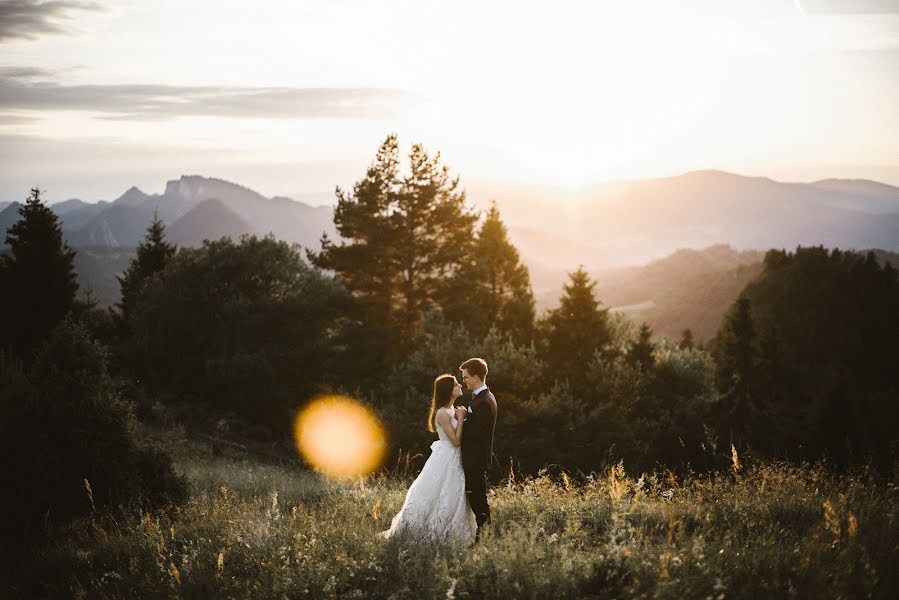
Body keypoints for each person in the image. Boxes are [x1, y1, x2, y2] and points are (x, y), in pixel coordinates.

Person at [381, 374, 477, 544]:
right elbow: (455, 441)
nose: (460, 385)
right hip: (446, 458)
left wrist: (459, 415)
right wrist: (461, 418)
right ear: (448, 390)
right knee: (439, 493)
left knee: (454, 494)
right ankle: (431, 534)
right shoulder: (441, 413)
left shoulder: (452, 409)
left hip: (455, 459)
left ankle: (454, 533)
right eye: (456, 384)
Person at [459, 357, 497, 540]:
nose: (464, 381)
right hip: (474, 457)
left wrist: (459, 421)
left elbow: (475, 432)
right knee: (476, 497)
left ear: (475, 377)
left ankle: (485, 538)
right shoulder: (481, 398)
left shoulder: (483, 402)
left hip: (475, 458)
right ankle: (482, 536)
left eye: (466, 377)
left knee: (478, 499)